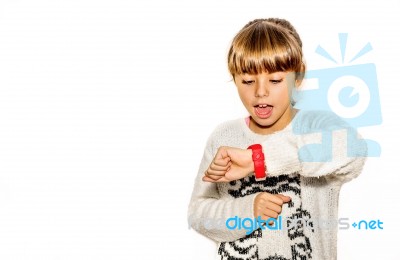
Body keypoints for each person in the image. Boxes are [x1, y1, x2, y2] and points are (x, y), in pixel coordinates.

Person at [187, 18, 367, 259]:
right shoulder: (223, 137)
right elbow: (199, 213)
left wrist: (258, 161)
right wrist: (248, 210)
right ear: (234, 78)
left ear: (298, 76)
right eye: (248, 81)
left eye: (275, 80)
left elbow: (354, 149)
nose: (261, 91)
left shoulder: (319, 128)